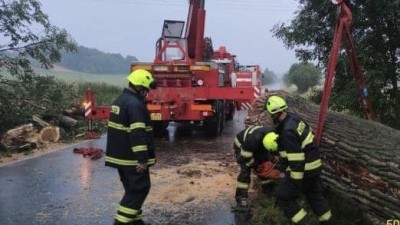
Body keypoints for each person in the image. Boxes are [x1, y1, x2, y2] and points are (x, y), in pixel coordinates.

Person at [264, 95, 332, 225]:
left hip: (304, 169)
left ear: (274, 114)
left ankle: (304, 222)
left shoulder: (287, 132)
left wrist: (293, 182)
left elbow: (297, 160)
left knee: (283, 196)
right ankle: (328, 222)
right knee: (315, 197)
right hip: (315, 166)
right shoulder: (295, 119)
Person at [105, 69, 157, 225]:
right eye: (146, 89)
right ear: (140, 87)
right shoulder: (135, 105)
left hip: (120, 157)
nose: (147, 93)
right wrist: (142, 159)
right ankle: (121, 222)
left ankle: (136, 222)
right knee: (139, 189)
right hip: (131, 159)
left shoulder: (120, 100)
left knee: (132, 190)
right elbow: (137, 133)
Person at [232, 125, 282, 212]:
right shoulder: (251, 142)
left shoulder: (276, 135)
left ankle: (269, 192)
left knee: (265, 165)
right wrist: (257, 166)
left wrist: (272, 161)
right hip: (242, 145)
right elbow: (243, 159)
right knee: (246, 168)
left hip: (259, 145)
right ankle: (241, 200)